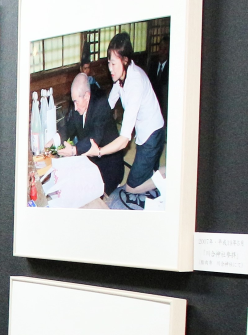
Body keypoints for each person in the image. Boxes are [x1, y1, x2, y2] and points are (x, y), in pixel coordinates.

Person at [90, 32, 167, 209]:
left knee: (132, 188)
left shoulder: (135, 83)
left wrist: (99, 151)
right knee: (146, 177)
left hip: (152, 134)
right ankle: (158, 181)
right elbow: (108, 105)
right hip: (145, 133)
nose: (110, 68)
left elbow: (124, 139)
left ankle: (169, 174)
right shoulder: (121, 79)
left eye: (113, 63)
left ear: (125, 60)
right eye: (108, 62)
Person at [57, 71, 125, 196]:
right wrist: (55, 138)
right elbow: (69, 127)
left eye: (76, 101)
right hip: (91, 161)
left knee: (88, 196)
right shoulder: (79, 105)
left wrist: (73, 150)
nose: (75, 107)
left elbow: (94, 139)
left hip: (108, 166)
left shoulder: (101, 105)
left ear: (87, 96)